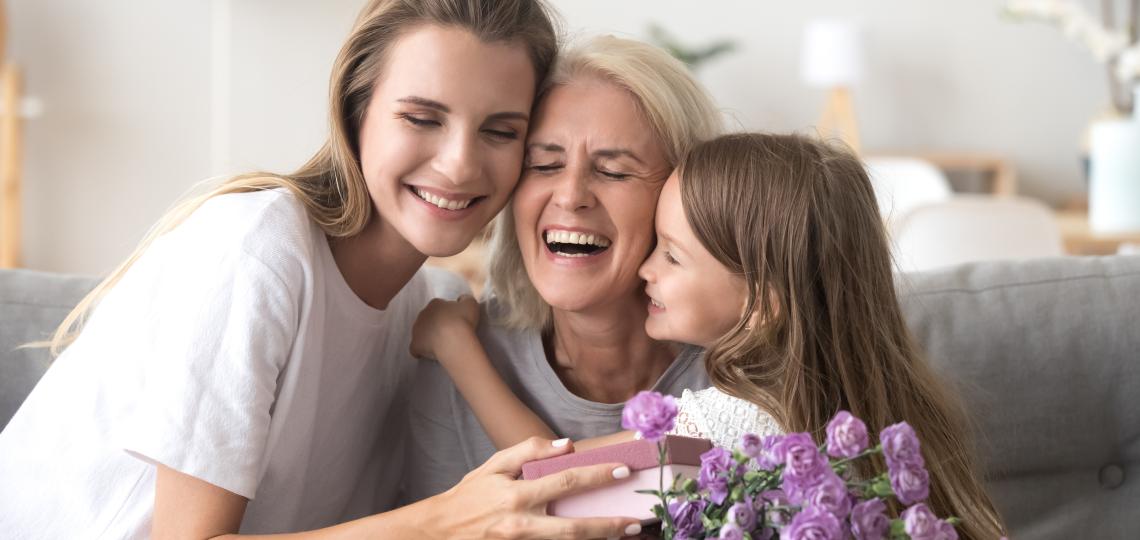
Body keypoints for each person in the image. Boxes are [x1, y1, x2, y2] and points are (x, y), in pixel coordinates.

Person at [0, 1, 646, 538]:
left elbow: (581, 480)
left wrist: (706, 445)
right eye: (421, 118)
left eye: (500, 132)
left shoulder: (432, 310)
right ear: (356, 110)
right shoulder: (257, 248)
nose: (459, 164)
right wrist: (448, 520)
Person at [415, 133, 1007, 539]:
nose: (646, 270)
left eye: (670, 255)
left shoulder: (738, 426)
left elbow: (553, 482)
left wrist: (456, 346)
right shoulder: (880, 405)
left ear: (763, 305)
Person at [403, 34, 722, 501]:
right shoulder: (457, 362)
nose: (571, 196)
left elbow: (572, 485)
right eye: (544, 164)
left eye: (614, 172)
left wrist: (458, 350)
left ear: (684, 195)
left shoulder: (742, 371)